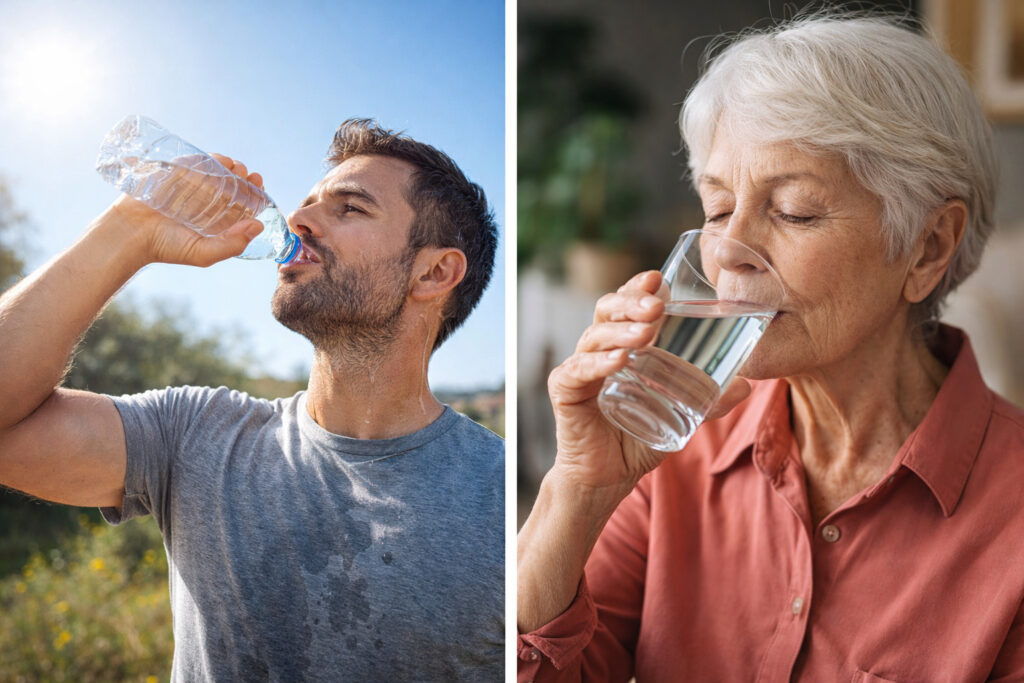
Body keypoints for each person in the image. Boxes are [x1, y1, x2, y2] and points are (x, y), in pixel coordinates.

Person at [517, 12, 1024, 682]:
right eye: (718, 209)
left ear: (927, 248)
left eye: (794, 211)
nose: (730, 250)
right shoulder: (671, 445)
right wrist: (576, 491)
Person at [0, 119, 503, 680]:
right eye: (308, 203)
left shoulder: (504, 499)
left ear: (434, 272)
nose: (299, 218)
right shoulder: (195, 433)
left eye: (350, 208)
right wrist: (130, 230)